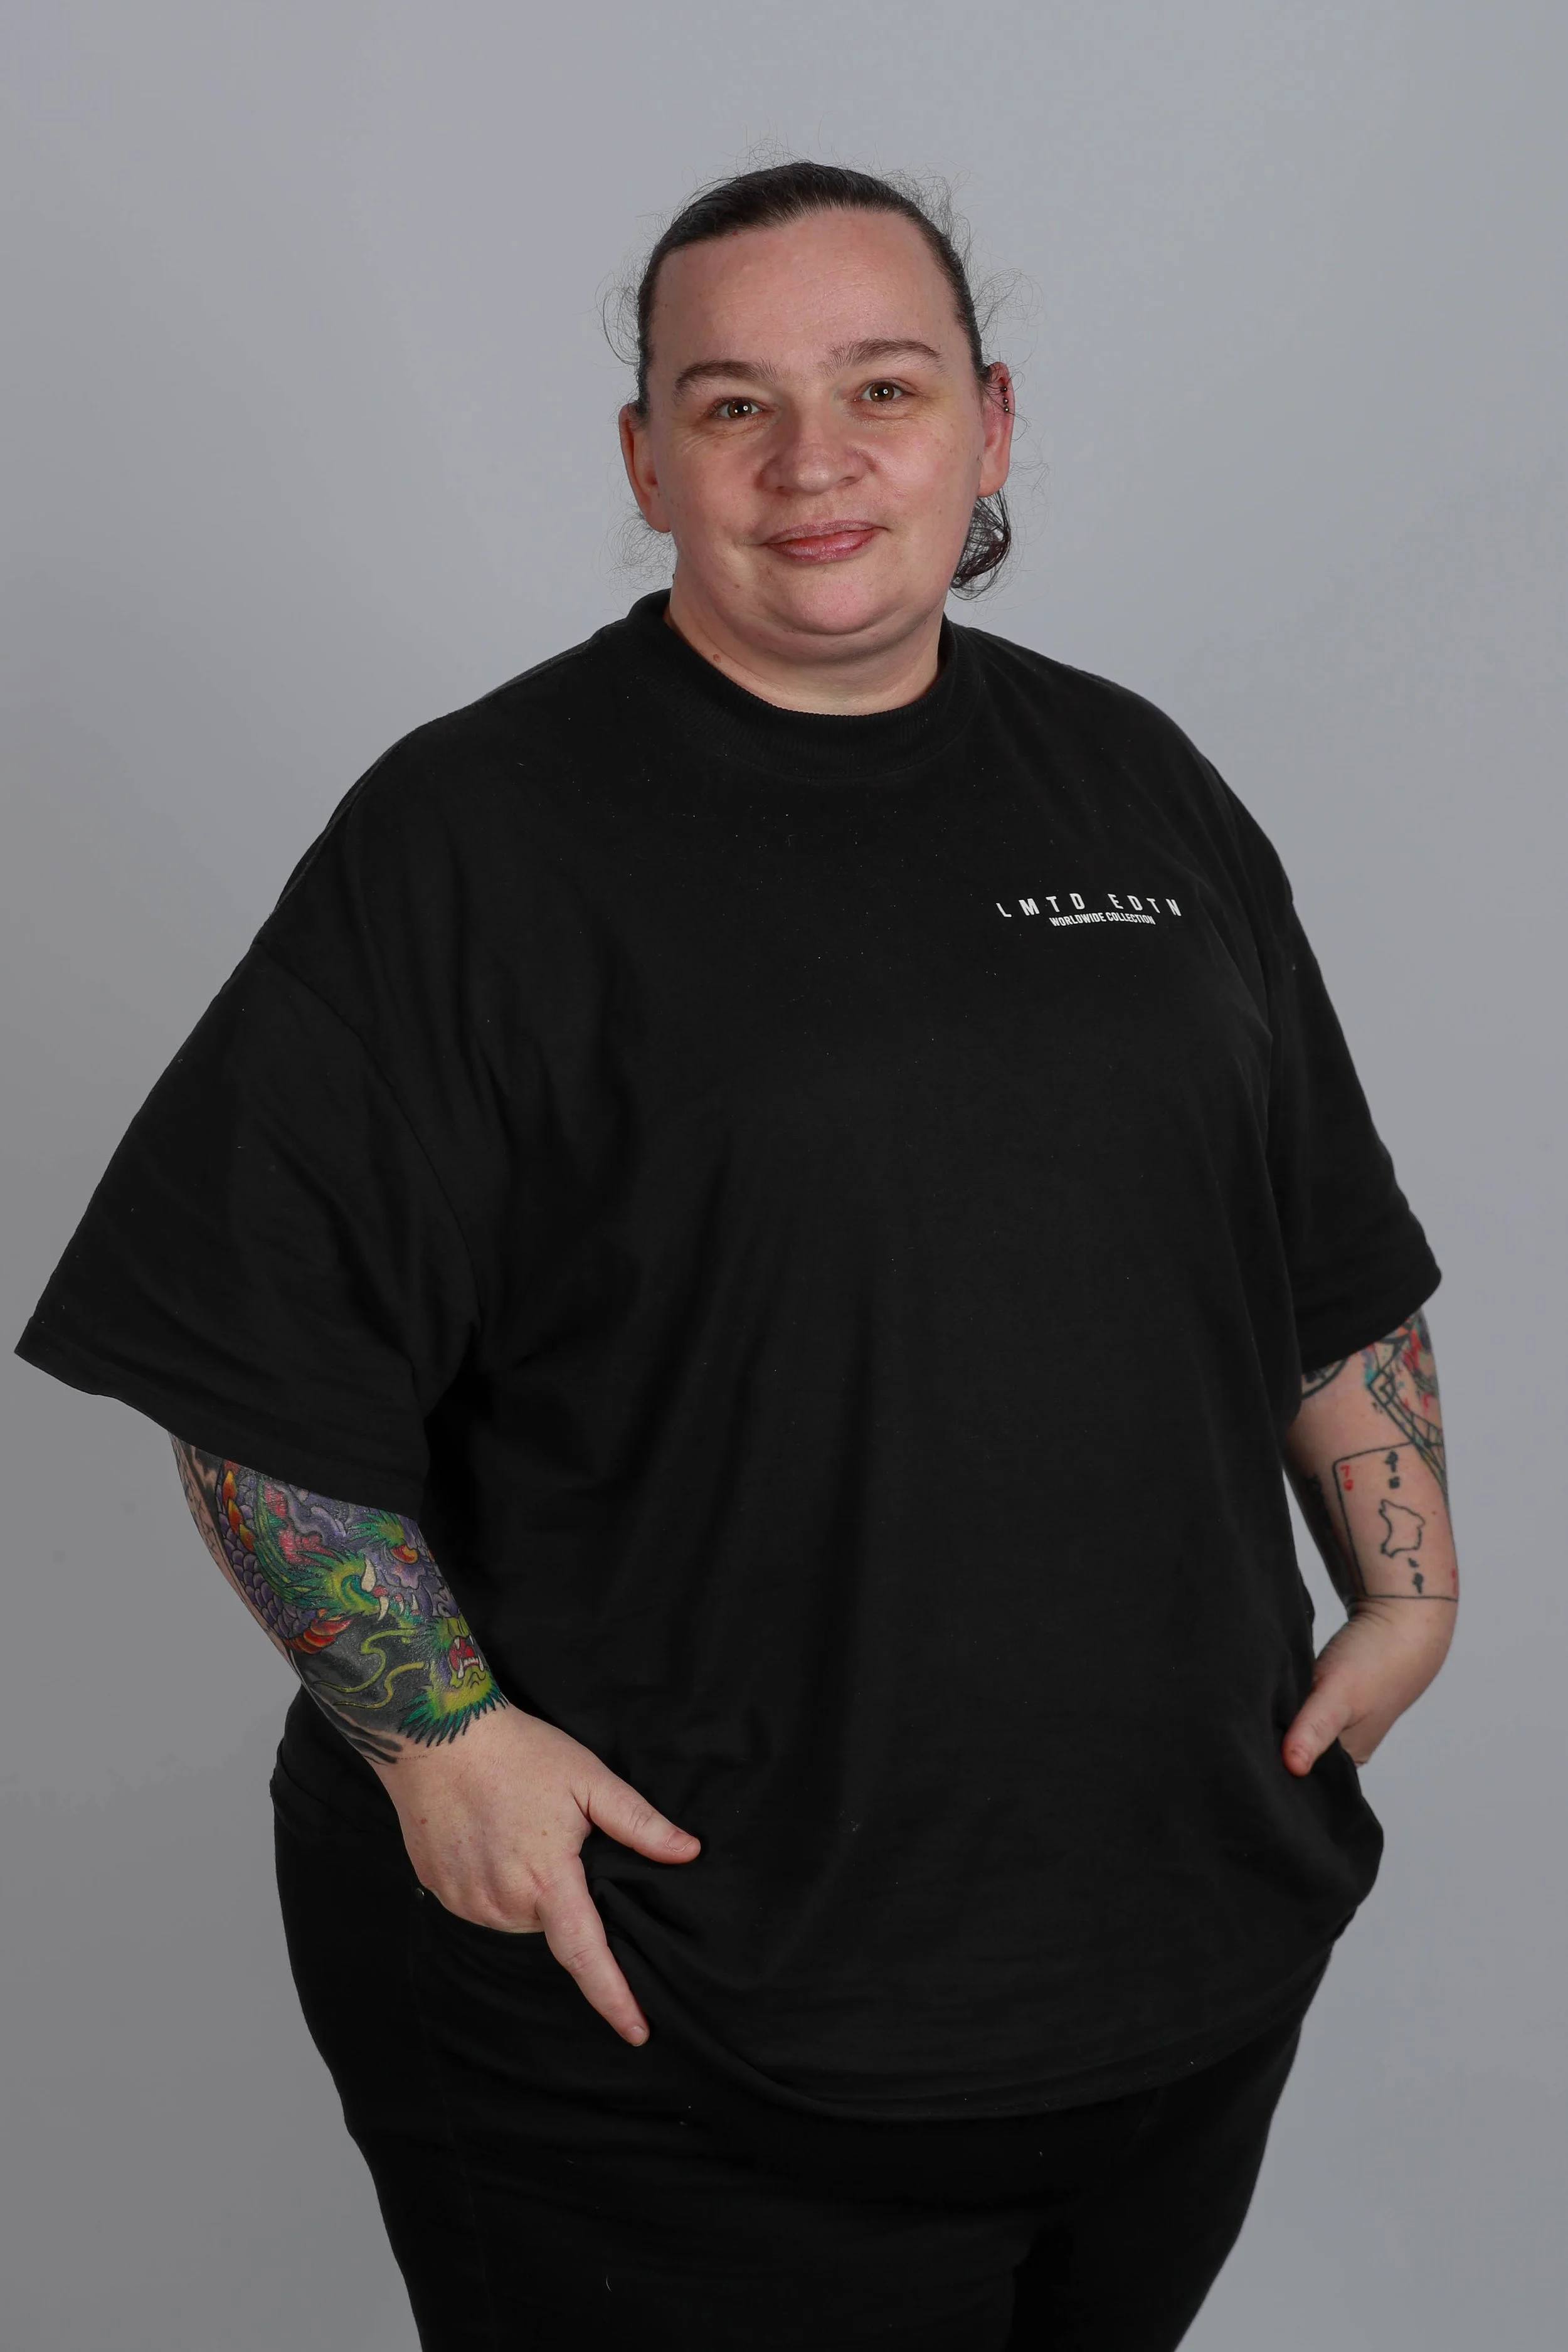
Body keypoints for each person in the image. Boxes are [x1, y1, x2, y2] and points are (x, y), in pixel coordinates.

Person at [16, 158, 1458, 2352]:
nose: (813, 464)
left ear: (986, 417)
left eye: (879, 386)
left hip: (1169, 1973)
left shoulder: (1137, 787)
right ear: (642, 456)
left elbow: (1316, 1239)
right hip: (661, 2041)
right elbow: (253, 1362)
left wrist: (1407, 1567)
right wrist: (442, 1748)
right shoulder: (474, 839)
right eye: (729, 404)